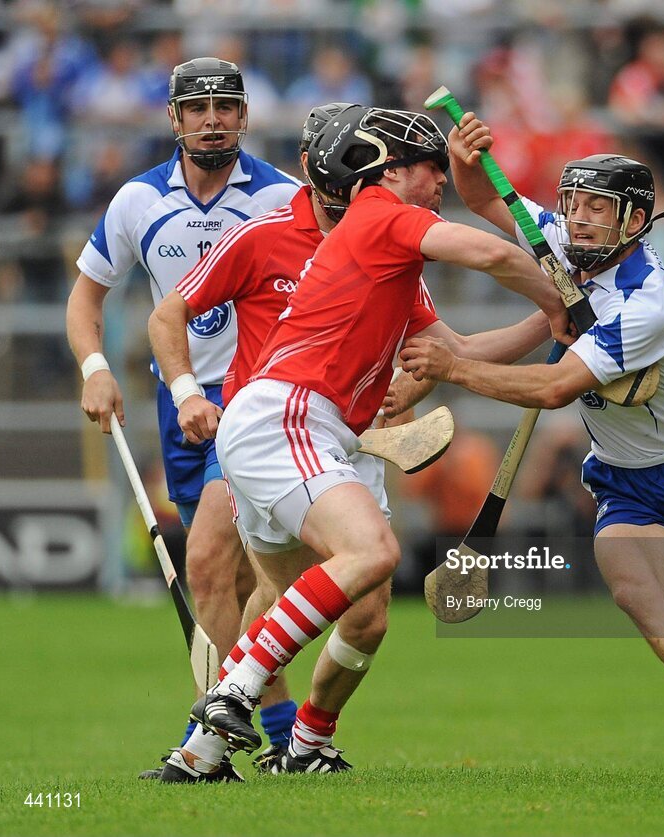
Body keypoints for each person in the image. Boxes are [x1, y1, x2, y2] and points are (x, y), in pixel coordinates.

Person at [399, 116, 664, 748]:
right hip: (626, 480)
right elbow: (487, 197)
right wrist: (465, 158)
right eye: (572, 204)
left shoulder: (646, 302)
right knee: (636, 592)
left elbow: (551, 390)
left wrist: (455, 368)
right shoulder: (560, 246)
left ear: (633, 221)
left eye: (596, 209)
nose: (576, 219)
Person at [173, 104, 569, 777]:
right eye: (429, 168)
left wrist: (551, 323)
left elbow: (463, 348)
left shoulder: (392, 256)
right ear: (391, 172)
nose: (438, 180)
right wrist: (563, 294)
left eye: (444, 170)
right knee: (373, 551)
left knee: (304, 592)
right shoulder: (383, 209)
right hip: (289, 415)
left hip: (295, 426)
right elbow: (494, 252)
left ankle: (204, 753)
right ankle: (236, 691)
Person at [65, 57, 303, 780]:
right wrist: (96, 370)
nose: (211, 119)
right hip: (180, 402)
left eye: (225, 106)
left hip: (256, 399)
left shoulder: (282, 199)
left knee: (204, 565)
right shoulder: (138, 200)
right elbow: (84, 301)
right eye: (196, 108)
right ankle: (285, 734)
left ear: (244, 116)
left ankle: (208, 740)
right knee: (229, 586)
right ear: (173, 119)